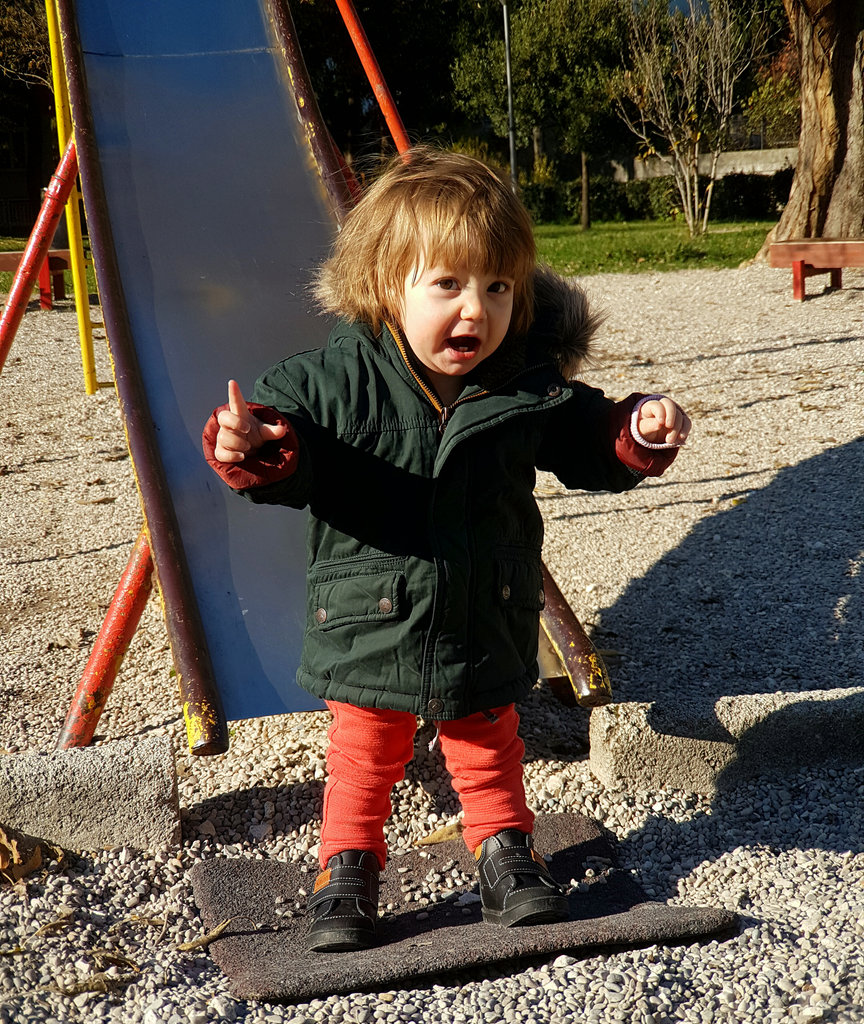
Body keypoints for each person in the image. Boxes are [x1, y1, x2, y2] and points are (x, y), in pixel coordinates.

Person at [202, 146, 690, 953]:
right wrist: (252, 443)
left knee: (487, 736)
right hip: (369, 614)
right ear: (388, 283)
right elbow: (289, 462)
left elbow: (585, 437)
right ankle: (347, 867)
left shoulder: (526, 380)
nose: (477, 310)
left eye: (498, 287)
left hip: (481, 606)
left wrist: (634, 431)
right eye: (449, 285)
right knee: (365, 748)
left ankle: (503, 850)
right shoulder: (333, 380)